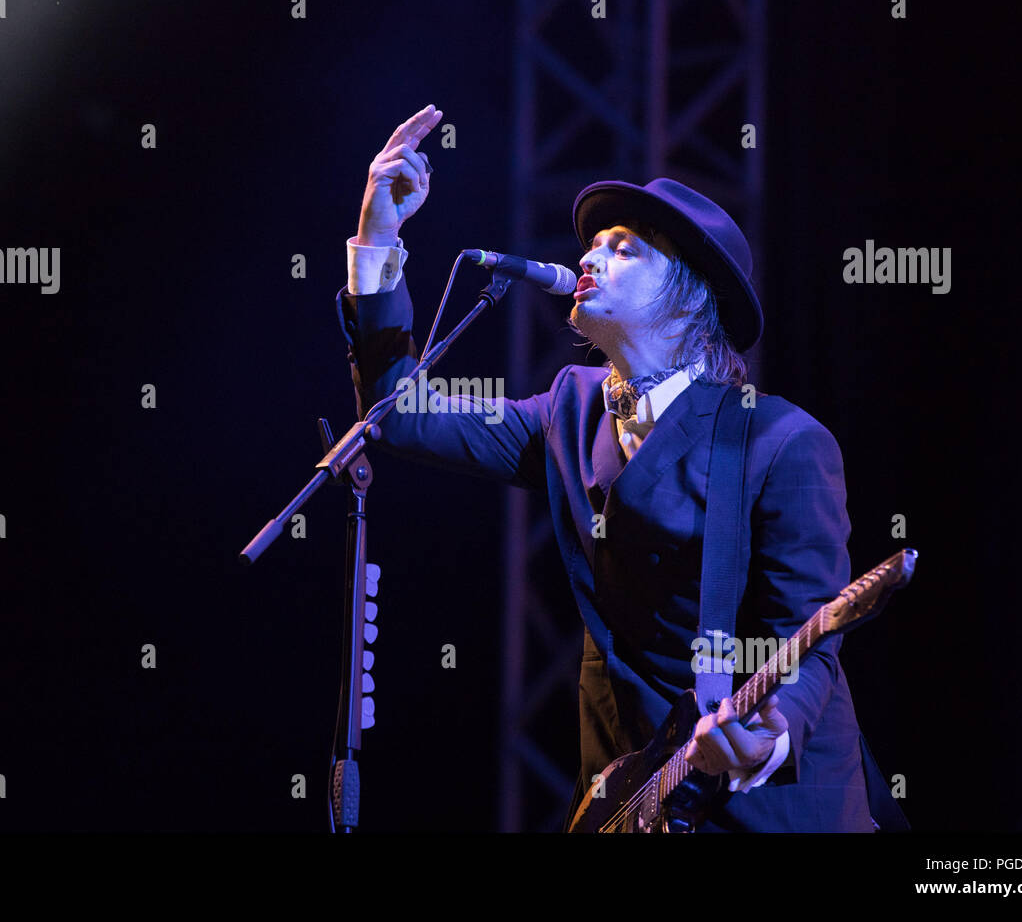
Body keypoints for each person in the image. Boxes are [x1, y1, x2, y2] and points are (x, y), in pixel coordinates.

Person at [334, 104, 875, 831]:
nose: (586, 257)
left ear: (692, 299)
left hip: (772, 808)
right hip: (636, 795)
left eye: (623, 248)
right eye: (591, 244)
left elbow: (810, 636)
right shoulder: (570, 408)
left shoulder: (782, 441)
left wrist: (770, 733)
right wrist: (378, 237)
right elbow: (401, 416)